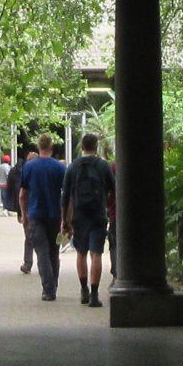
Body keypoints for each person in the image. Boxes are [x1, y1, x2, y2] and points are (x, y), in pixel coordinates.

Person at [12, 134, 68, 303]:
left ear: (38, 147)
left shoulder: (29, 167)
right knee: (54, 252)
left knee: (41, 252)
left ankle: (48, 289)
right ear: (51, 148)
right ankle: (53, 285)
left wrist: (24, 214)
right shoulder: (60, 168)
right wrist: (66, 219)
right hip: (55, 216)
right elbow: (66, 196)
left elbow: (22, 195)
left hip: (36, 215)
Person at [66, 130, 117, 308]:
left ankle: (83, 291)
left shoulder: (73, 167)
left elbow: (66, 196)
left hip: (79, 216)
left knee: (81, 253)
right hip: (98, 214)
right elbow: (114, 189)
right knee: (96, 254)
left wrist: (65, 221)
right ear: (96, 147)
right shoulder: (103, 166)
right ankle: (95, 295)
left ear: (82, 146)